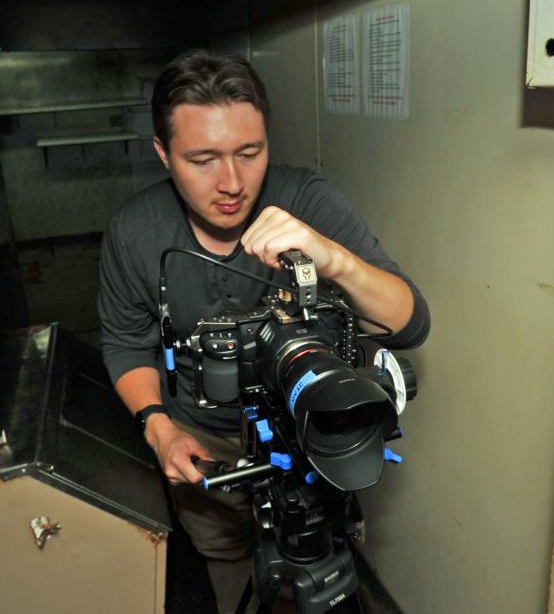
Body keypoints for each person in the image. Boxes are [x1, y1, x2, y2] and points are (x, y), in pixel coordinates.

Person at [98, 50, 430, 613]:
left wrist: (334, 258)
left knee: (319, 562)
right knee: (229, 564)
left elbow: (409, 323)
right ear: (163, 154)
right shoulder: (135, 234)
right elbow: (126, 342)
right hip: (204, 442)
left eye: (249, 153)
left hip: (311, 435)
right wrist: (158, 428)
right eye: (202, 159)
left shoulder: (309, 201)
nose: (231, 182)